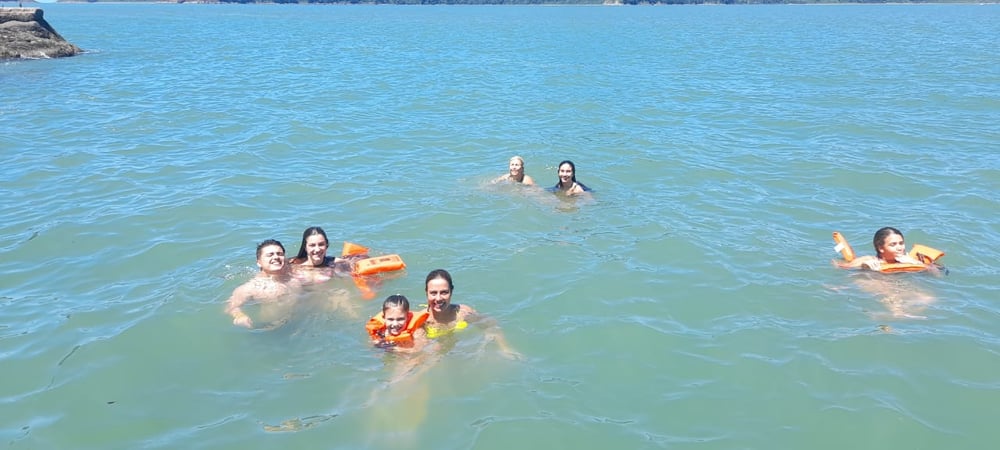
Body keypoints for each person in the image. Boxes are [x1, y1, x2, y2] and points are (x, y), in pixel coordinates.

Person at [423, 269, 521, 359]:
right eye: (433, 293)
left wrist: (505, 348)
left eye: (444, 292)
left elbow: (491, 323)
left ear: (451, 292)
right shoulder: (422, 320)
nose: (439, 298)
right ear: (426, 293)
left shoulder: (462, 313)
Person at [225, 239, 301, 329]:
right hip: (269, 328)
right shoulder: (251, 287)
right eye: (270, 255)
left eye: (280, 254)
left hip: (296, 324)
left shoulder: (294, 276)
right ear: (259, 262)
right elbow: (230, 307)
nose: (276, 257)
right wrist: (240, 316)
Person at [835, 227, 942, 275]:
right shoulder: (869, 260)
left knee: (928, 299)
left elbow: (938, 275)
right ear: (880, 248)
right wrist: (864, 267)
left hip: (903, 283)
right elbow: (839, 266)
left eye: (901, 243)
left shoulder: (912, 259)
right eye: (893, 245)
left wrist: (916, 263)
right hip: (879, 284)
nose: (900, 248)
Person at [288, 226, 367, 281]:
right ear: (305, 247)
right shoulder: (293, 264)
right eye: (312, 245)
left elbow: (359, 261)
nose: (317, 249)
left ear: (326, 245)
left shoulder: (334, 263)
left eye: (321, 244)